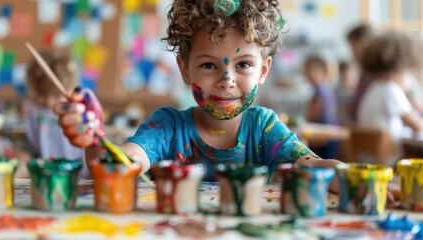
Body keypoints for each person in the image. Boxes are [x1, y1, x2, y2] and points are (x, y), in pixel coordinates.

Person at [54, 0, 349, 193]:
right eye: (209, 65)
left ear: (263, 70)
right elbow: (119, 164)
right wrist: (94, 137)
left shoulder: (265, 129)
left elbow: (311, 165)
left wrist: (356, 180)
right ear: (184, 69)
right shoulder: (167, 127)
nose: (226, 80)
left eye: (243, 64)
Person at [15, 51, 89, 178]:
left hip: (79, 175)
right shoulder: (34, 110)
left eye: (56, 95)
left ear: (70, 87)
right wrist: (21, 164)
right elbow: (29, 147)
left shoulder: (77, 109)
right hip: (46, 176)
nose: (49, 102)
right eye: (42, 94)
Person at [357, 32, 423, 166]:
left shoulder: (373, 88)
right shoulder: (391, 90)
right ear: (400, 68)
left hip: (369, 158)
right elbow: (417, 125)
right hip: (391, 160)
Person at [303, 55, 339, 159]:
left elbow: (314, 116)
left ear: (322, 71)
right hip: (331, 135)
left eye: (309, 70)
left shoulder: (320, 90)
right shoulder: (328, 87)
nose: (307, 74)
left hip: (325, 137)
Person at [346, 23, 375, 122]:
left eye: (353, 46)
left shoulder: (378, 73)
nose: (352, 52)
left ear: (363, 42)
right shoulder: (364, 72)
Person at [336, 61, 359, 126]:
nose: (346, 75)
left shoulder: (359, 91)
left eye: (348, 72)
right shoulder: (336, 90)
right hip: (341, 125)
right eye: (343, 73)